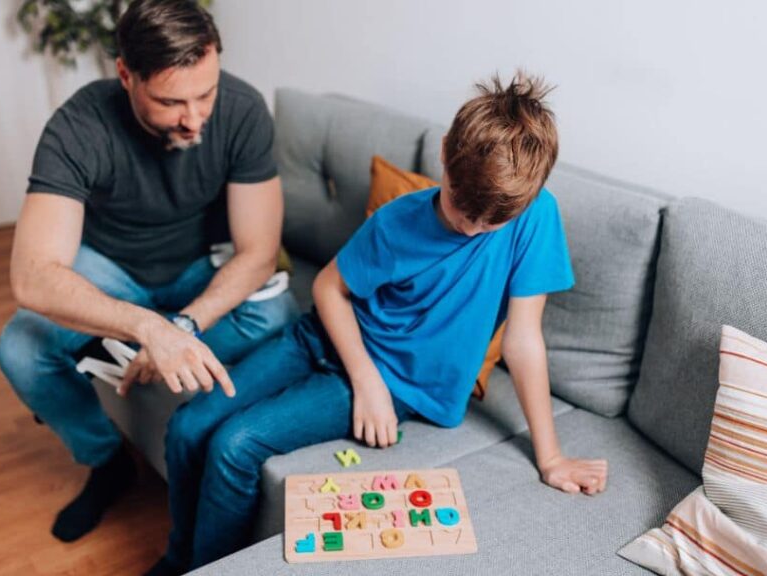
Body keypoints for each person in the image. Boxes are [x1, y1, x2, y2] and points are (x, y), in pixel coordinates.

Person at [147, 71, 610, 576]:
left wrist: (551, 458)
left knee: (234, 445)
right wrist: (366, 381)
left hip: (400, 383)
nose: (471, 226)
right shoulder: (397, 220)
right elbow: (328, 288)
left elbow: (523, 341)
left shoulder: (534, 216)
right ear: (445, 153)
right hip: (324, 340)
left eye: (489, 222)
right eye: (460, 205)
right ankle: (179, 563)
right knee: (189, 425)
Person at [0, 0, 298, 544]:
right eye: (170, 101)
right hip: (111, 267)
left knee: (278, 310)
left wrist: (181, 327)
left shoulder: (244, 108)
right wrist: (146, 327)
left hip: (196, 268)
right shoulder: (77, 126)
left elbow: (257, 252)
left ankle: (120, 349)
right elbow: (33, 274)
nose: (195, 116)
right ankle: (107, 462)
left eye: (205, 93)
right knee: (20, 347)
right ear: (125, 74)